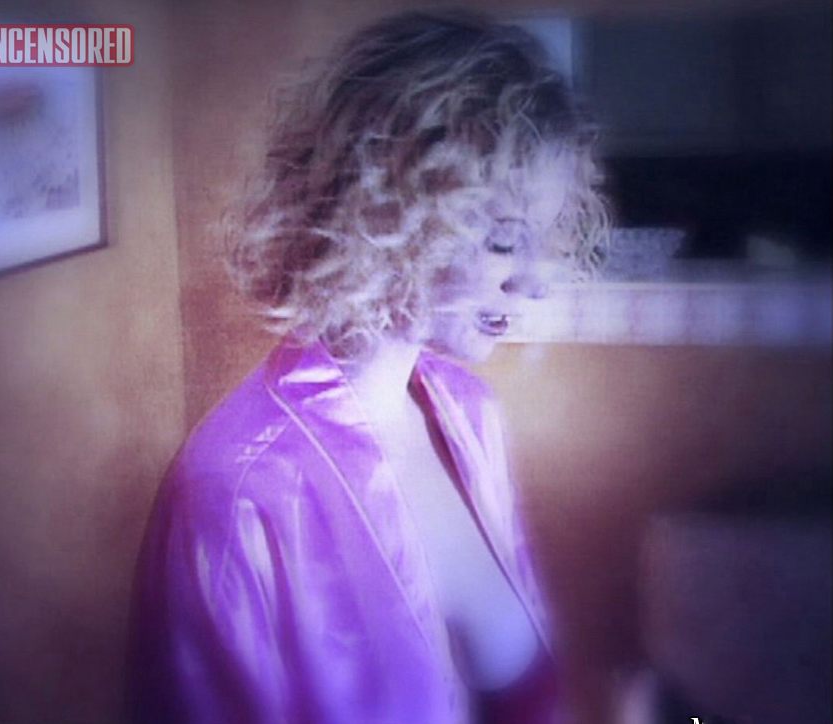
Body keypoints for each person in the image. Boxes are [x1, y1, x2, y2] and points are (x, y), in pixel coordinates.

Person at [129, 10, 608, 724]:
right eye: (505, 241)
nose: (536, 282)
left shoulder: (469, 413)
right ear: (384, 214)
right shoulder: (235, 497)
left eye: (543, 237)